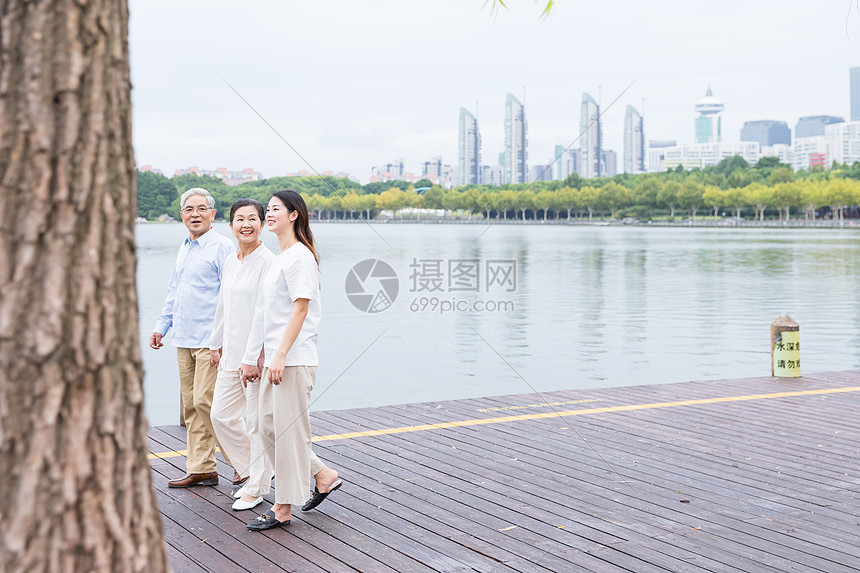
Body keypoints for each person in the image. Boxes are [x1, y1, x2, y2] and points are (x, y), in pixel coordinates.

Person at [242, 190, 341, 531]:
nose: (268, 214)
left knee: (284, 431)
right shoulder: (280, 258)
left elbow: (300, 308)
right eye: (267, 209)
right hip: (275, 358)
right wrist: (257, 355)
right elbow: (267, 314)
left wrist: (280, 355)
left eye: (275, 210)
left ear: (294, 214)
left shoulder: (300, 257)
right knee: (268, 426)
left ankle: (283, 507)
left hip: (294, 358)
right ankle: (323, 475)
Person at [150, 187, 235, 488]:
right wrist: (162, 326)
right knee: (191, 406)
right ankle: (202, 468)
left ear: (212, 214)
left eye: (201, 209)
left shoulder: (223, 247)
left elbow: (230, 296)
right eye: (189, 209)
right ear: (182, 214)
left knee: (207, 402)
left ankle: (243, 462)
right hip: (183, 338)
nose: (195, 214)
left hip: (211, 340)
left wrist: (223, 339)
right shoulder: (184, 247)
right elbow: (175, 291)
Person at [209, 199, 275, 511]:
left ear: (262, 224)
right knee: (220, 416)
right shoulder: (231, 260)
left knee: (256, 425)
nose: (246, 224)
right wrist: (215, 343)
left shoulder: (269, 263)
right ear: (231, 224)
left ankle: (257, 486)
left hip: (255, 359)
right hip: (230, 354)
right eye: (239, 219)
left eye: (252, 219)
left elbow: (267, 316)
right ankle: (254, 472)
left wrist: (255, 356)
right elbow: (223, 306)